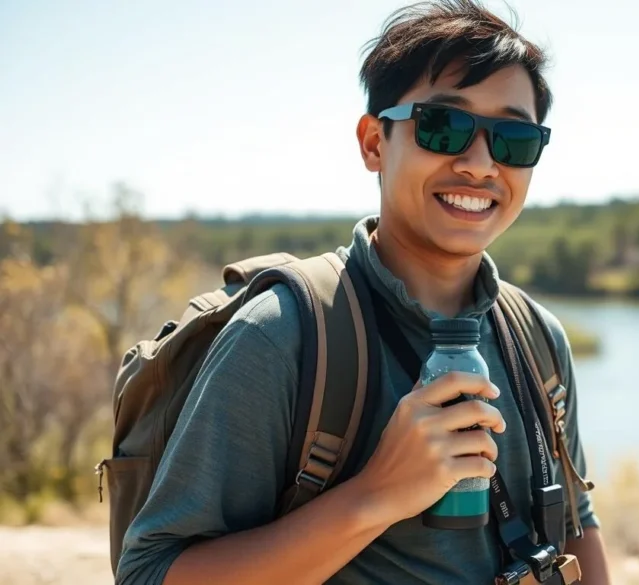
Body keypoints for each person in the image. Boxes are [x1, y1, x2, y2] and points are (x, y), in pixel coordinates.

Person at [115, 0, 611, 583]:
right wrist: (377, 494)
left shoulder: (537, 339)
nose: (480, 164)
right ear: (375, 142)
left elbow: (577, 525)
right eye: (443, 126)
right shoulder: (283, 336)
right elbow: (149, 573)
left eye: (514, 138)